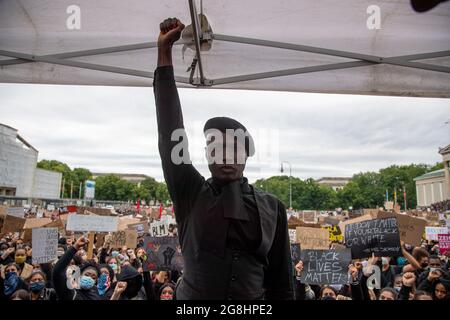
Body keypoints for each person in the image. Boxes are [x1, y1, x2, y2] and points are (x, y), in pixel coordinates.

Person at [154, 17, 293, 300]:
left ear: (246, 155)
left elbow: (282, 281)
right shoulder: (190, 192)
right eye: (216, 147)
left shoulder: (272, 208)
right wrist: (164, 52)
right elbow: (170, 129)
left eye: (234, 148)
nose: (225, 155)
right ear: (205, 154)